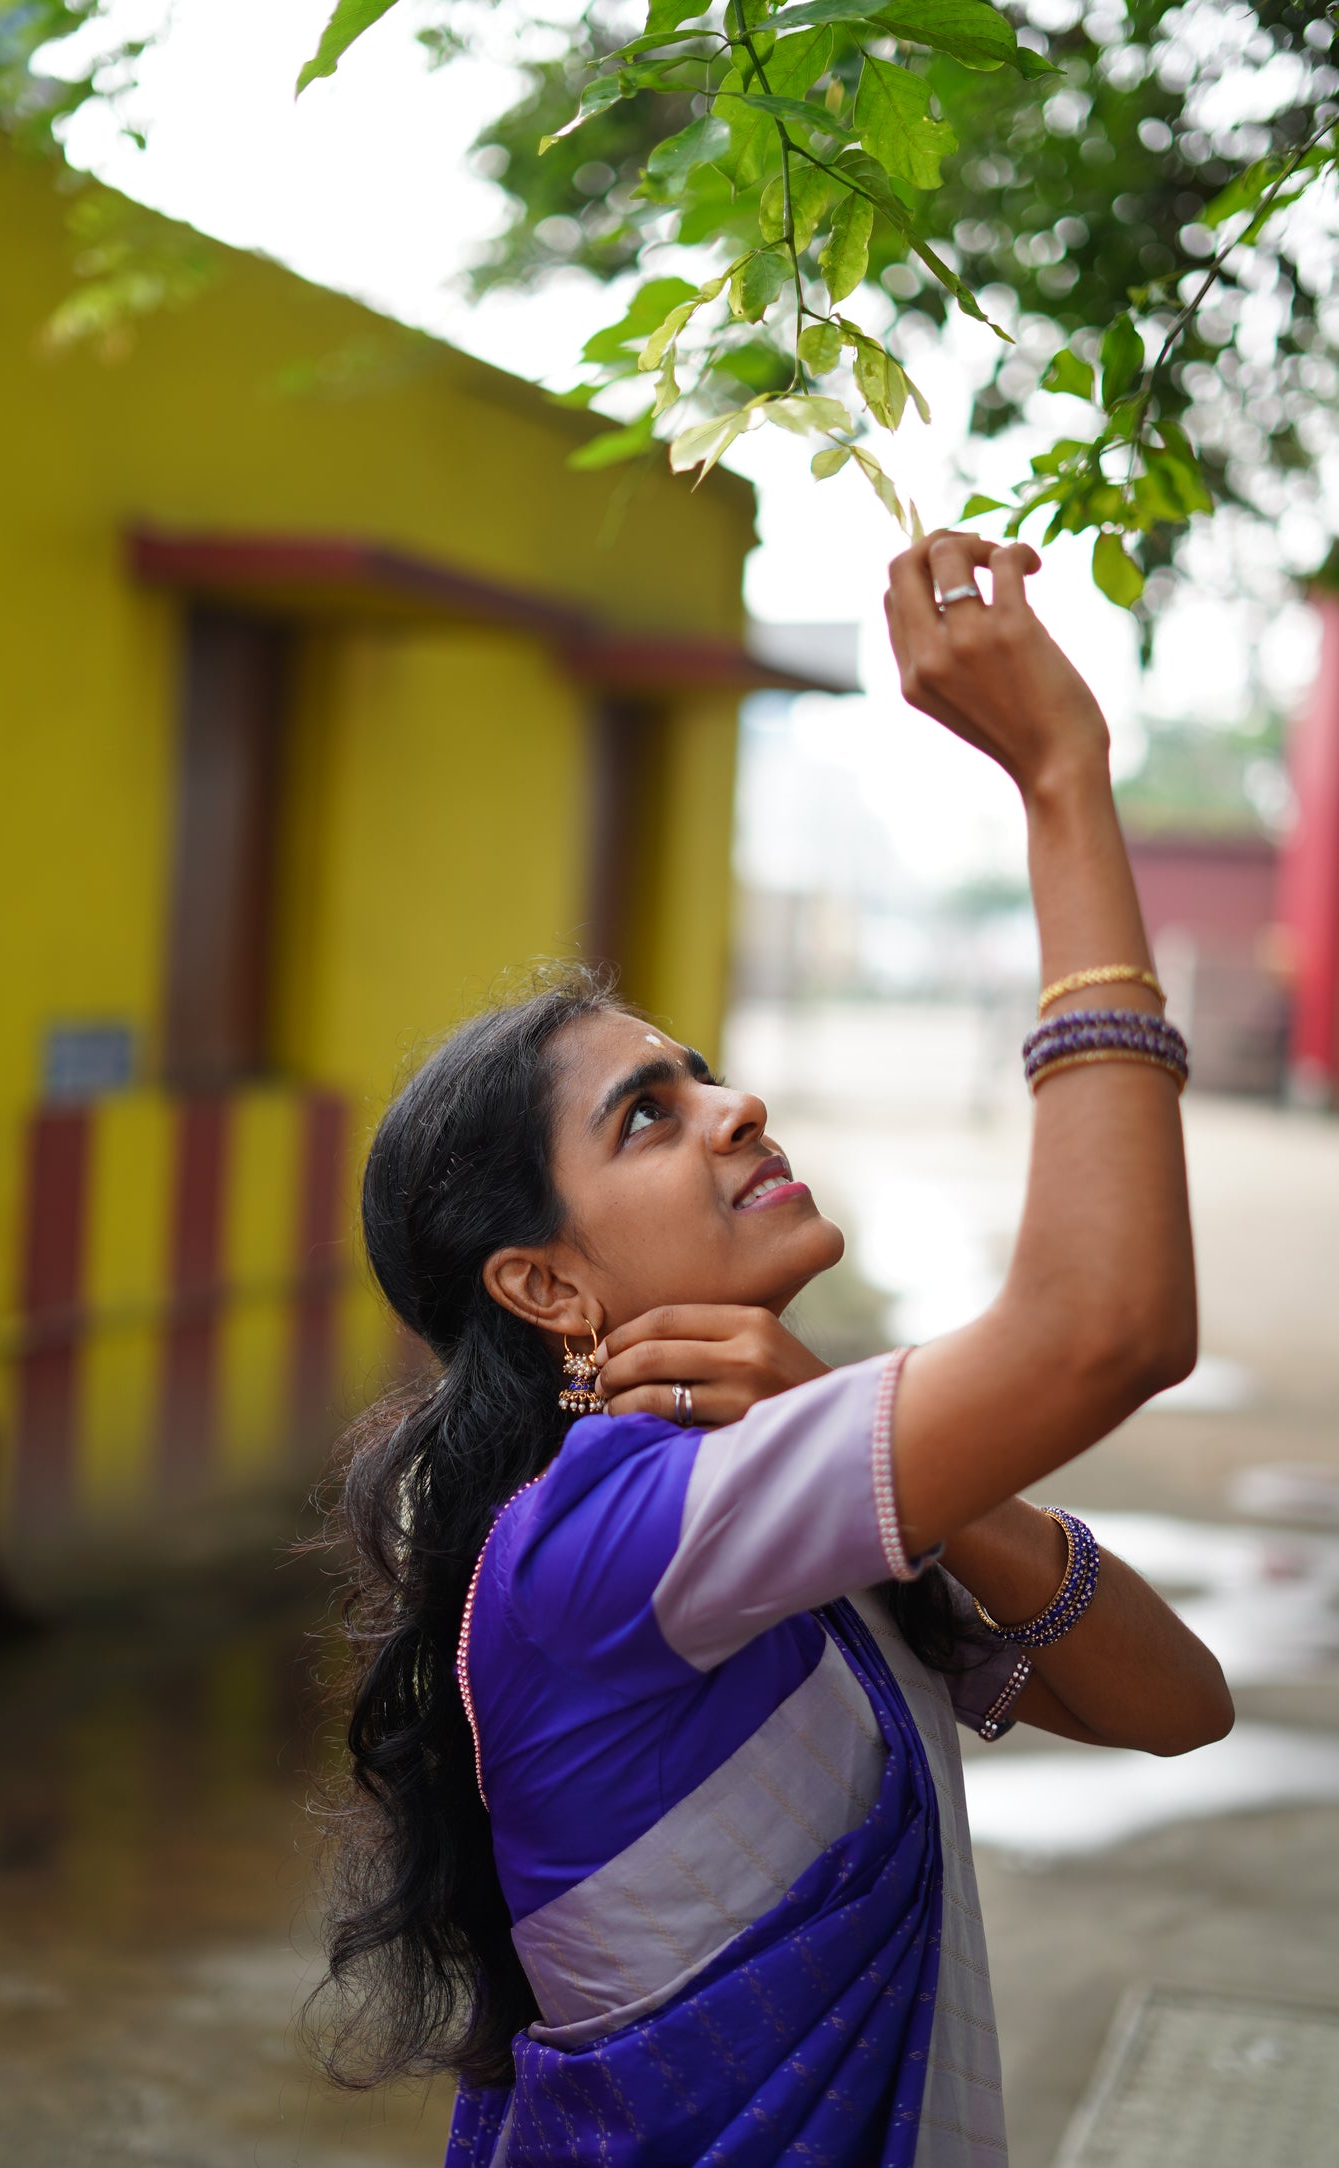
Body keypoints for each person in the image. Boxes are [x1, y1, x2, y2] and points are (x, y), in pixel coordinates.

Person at [311, 533, 1233, 2167]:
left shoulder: (754, 1503)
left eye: (703, 1074)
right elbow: (1105, 1331)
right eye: (646, 1116)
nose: (736, 1107)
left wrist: (888, 1462)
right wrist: (1060, 782)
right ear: (543, 1286)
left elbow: (1176, 1706)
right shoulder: (598, 1541)